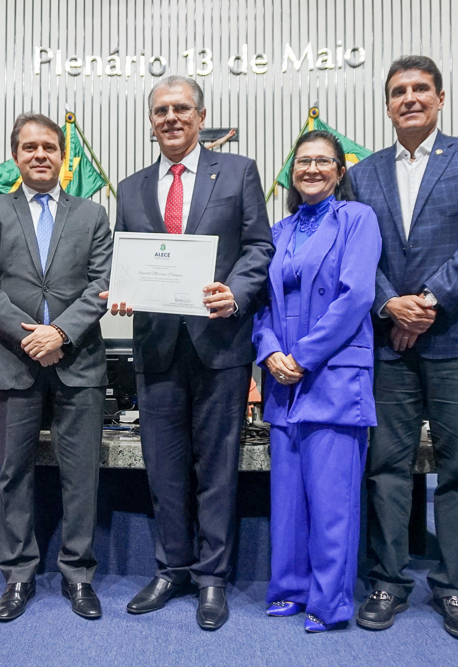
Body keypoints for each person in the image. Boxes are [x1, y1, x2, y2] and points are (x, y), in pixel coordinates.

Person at [347, 55, 458, 640]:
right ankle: (388, 581)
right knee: (386, 467)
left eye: (421, 89)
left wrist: (427, 303)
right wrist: (391, 304)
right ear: (387, 104)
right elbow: (355, 253)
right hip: (389, 345)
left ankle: (454, 588)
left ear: (440, 98)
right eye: (399, 91)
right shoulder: (362, 174)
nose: (410, 98)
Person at [106, 75, 274, 631]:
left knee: (217, 467)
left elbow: (259, 246)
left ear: (201, 117)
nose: (171, 118)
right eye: (161, 111)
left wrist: (238, 291)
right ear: (150, 121)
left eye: (181, 109)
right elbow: (126, 259)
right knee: (164, 466)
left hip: (219, 345)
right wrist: (123, 293)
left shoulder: (239, 171)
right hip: (155, 347)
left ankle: (211, 579)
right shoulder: (129, 189)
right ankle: (170, 567)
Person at [0, 113, 113, 622]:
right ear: (16, 157)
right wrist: (33, 336)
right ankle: (18, 574)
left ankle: (77, 575)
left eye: (49, 147)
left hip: (79, 360)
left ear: (64, 157)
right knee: (14, 474)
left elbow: (101, 285)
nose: (40, 155)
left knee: (81, 476)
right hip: (13, 358)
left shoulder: (93, 216)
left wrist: (61, 333)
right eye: (29, 147)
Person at [252, 130, 381, 633]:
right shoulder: (278, 230)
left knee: (332, 503)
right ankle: (288, 588)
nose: (311, 169)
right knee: (287, 500)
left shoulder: (357, 219)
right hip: (282, 379)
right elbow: (260, 304)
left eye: (322, 161)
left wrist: (300, 357)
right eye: (302, 161)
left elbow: (355, 297)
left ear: (339, 171)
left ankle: (329, 604)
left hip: (331, 375)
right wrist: (268, 352)